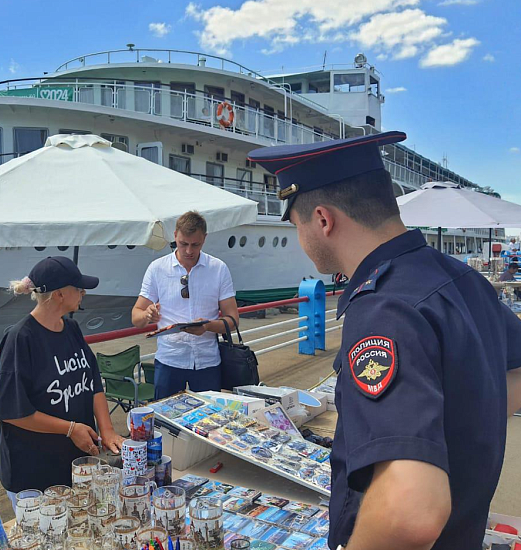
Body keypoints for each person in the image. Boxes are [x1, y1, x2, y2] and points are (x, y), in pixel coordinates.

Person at [249, 131, 521, 550]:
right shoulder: (462, 278)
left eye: (297, 225)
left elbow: (411, 512)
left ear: (322, 220)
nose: (301, 241)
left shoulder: (383, 309)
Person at [0, 256, 124, 508]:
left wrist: (107, 429)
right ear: (60, 294)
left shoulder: (72, 328)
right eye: (78, 288)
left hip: (74, 467)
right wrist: (70, 429)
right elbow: (13, 412)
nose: (83, 292)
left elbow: (92, 380)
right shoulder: (20, 338)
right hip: (32, 474)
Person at [131, 211, 240, 400]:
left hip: (207, 361)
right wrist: (147, 315)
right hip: (169, 360)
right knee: (166, 421)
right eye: (183, 244)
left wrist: (207, 326)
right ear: (175, 236)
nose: (189, 251)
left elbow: (233, 320)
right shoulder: (157, 269)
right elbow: (136, 317)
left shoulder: (218, 268)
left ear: (204, 239)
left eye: (195, 245)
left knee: (209, 422)